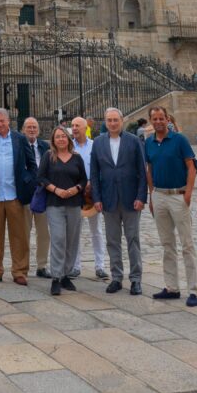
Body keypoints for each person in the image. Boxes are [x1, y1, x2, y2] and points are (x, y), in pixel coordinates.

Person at [145, 105, 197, 307]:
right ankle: (172, 287)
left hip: (178, 195)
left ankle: (193, 290)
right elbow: (149, 170)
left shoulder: (179, 140)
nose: (158, 122)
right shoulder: (149, 142)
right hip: (159, 195)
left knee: (187, 244)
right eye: (155, 119)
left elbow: (191, 167)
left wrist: (188, 194)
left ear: (167, 119)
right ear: (151, 121)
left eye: (161, 118)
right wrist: (151, 196)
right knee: (167, 245)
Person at [90, 107, 147, 295]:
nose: (112, 123)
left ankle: (136, 279)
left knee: (133, 239)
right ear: (105, 122)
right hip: (108, 199)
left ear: (121, 121)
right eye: (109, 120)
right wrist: (96, 198)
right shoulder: (98, 143)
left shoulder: (133, 141)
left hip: (131, 199)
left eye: (115, 120)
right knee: (112, 240)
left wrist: (141, 196)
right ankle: (116, 277)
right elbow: (94, 173)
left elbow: (142, 171)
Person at [0, 107, 38, 286]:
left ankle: (19, 270)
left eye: (2, 121)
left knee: (19, 235)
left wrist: (27, 182)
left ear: (8, 121)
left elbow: (32, 165)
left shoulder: (20, 139)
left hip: (15, 195)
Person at [36, 126, 88, 295]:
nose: (60, 139)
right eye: (57, 137)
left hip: (74, 203)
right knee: (58, 238)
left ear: (68, 139)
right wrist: (56, 189)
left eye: (63, 137)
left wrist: (77, 188)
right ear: (53, 140)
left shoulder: (76, 158)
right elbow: (41, 177)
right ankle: (56, 277)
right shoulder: (48, 157)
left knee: (72, 240)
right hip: (55, 203)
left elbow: (83, 179)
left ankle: (66, 273)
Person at [70, 116, 108, 280]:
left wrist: (93, 183)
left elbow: (101, 167)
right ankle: (75, 266)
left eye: (77, 125)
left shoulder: (95, 146)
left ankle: (100, 265)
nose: (74, 128)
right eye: (72, 126)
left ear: (85, 127)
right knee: (75, 231)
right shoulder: (69, 147)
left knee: (96, 230)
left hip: (93, 193)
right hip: (75, 192)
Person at [22, 117, 51, 278]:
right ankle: (23, 265)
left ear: (38, 130)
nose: (32, 130)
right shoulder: (19, 146)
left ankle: (42, 265)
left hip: (42, 194)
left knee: (43, 233)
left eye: (34, 127)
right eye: (29, 127)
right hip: (26, 194)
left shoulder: (44, 146)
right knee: (24, 232)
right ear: (23, 130)